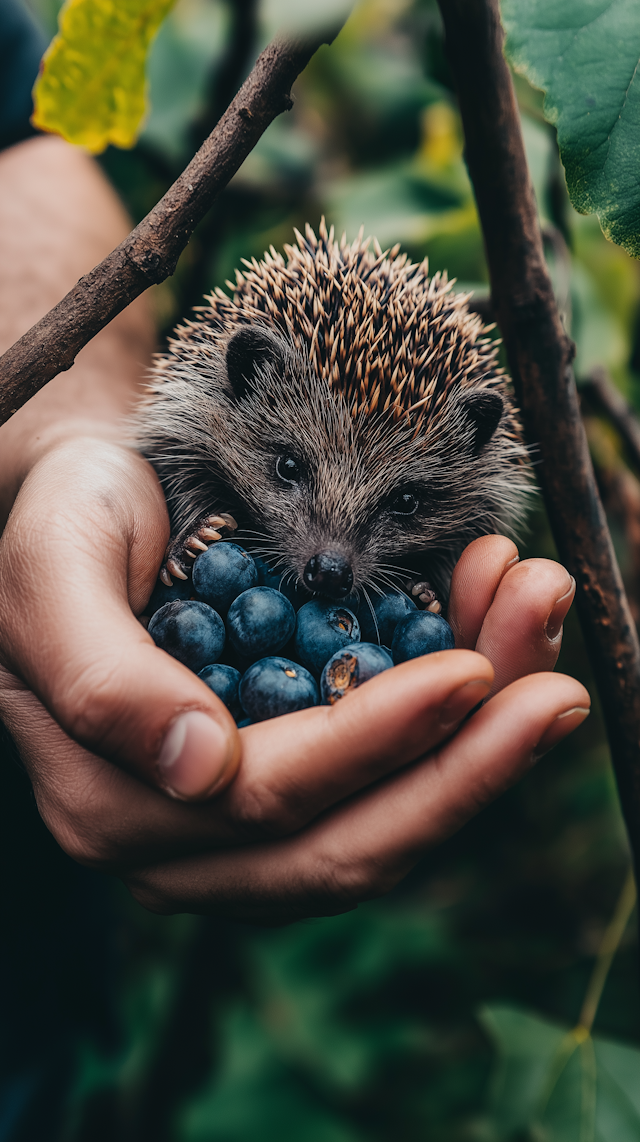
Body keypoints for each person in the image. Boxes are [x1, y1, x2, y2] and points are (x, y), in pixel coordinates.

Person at [0, 2, 589, 1134]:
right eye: (285, 468)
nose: (329, 559)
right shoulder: (200, 429)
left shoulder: (426, 526)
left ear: (467, 456)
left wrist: (64, 446)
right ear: (246, 375)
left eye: (400, 506)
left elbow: (16, 147)